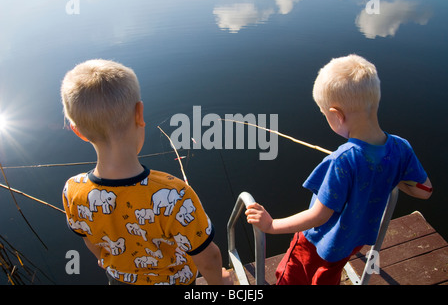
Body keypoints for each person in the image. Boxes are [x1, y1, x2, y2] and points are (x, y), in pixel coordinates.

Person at [245, 54, 432, 285]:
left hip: (316, 243)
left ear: (336, 115)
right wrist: (391, 174)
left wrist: (271, 225)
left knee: (291, 278)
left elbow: (319, 216)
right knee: (326, 277)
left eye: (325, 115)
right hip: (352, 242)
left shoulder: (341, 161)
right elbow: (424, 190)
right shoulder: (400, 148)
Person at [61, 59, 231, 285]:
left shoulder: (73, 190)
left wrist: (107, 259)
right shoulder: (176, 193)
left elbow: (91, 242)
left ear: (78, 131)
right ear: (139, 113)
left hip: (120, 280)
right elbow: (209, 258)